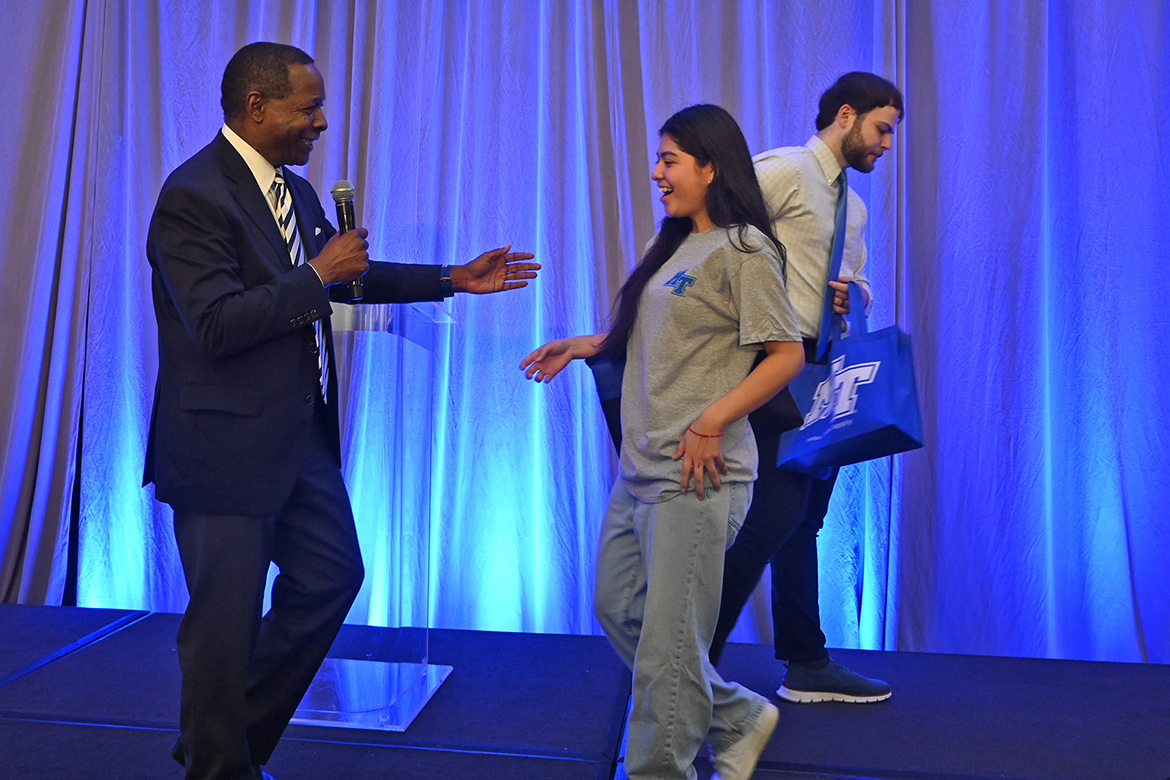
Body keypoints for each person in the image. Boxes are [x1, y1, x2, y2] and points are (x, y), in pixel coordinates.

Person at [144, 42, 539, 780]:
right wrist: (317, 274)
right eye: (309, 106)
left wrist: (451, 277)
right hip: (223, 452)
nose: (322, 121)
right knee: (221, 634)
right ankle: (217, 763)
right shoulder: (193, 194)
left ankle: (218, 739)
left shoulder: (294, 193)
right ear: (257, 108)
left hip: (300, 443)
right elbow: (217, 323)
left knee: (331, 578)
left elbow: (344, 277)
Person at [522, 104, 804, 780]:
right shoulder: (680, 244)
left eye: (670, 159)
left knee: (665, 653)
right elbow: (672, 339)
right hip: (642, 468)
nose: (657, 172)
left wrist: (710, 421)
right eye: (659, 159)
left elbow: (785, 355)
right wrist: (594, 342)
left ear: (711, 167)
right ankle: (735, 714)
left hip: (699, 475)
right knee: (619, 608)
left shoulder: (745, 249)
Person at [708, 72, 904, 705]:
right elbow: (713, 232)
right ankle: (686, 666)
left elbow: (855, 278)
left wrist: (856, 293)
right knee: (774, 516)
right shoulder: (786, 171)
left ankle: (804, 660)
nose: (886, 144)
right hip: (770, 367)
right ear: (846, 116)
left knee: (803, 520)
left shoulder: (855, 205)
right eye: (882, 129)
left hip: (821, 375)